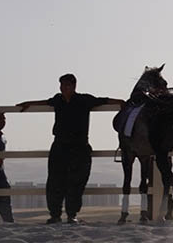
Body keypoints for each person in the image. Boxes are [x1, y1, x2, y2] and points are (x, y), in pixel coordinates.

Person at [17, 74, 125, 224]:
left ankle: (71, 214)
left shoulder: (84, 100)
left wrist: (120, 102)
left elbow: (103, 100)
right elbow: (46, 102)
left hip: (79, 146)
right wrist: (29, 103)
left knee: (77, 181)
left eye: (66, 85)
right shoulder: (58, 100)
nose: (63, 89)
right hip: (60, 144)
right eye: (62, 86)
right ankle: (55, 214)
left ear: (74, 86)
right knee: (55, 180)